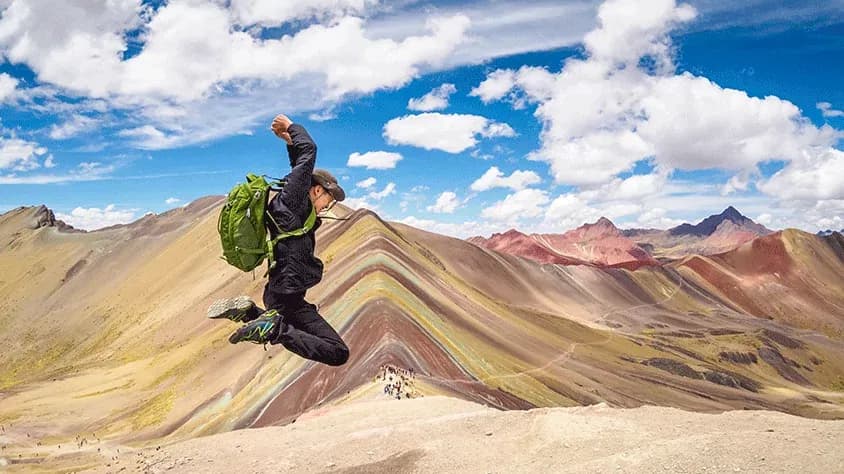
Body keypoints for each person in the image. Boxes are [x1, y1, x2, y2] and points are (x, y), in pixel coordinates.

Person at [207, 114, 350, 367]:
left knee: (295, 329)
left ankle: (250, 313)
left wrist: (289, 143)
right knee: (338, 352)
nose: (327, 207)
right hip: (287, 294)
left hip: (281, 292)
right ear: (317, 190)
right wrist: (292, 128)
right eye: (328, 200)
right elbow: (309, 152)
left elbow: (299, 166)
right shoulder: (293, 201)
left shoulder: (292, 204)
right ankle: (270, 327)